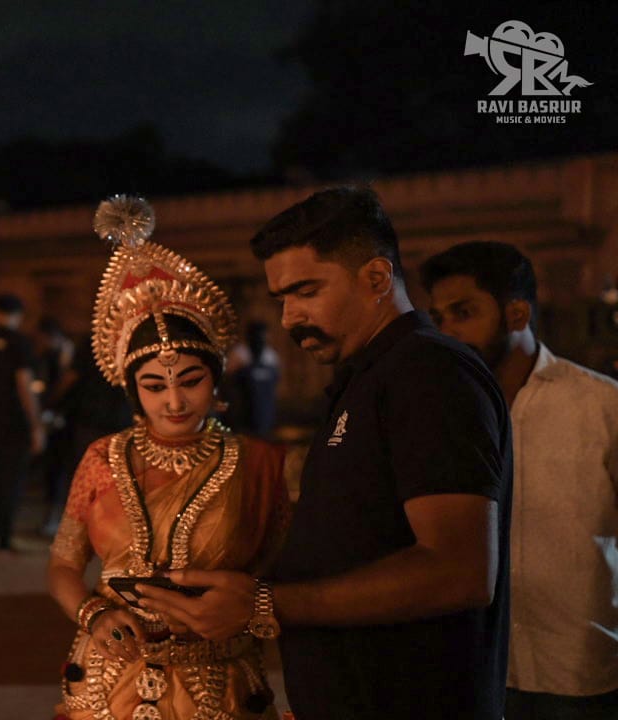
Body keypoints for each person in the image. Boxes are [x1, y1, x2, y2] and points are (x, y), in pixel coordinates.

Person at [136, 187, 513, 719]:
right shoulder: (367, 377)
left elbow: (458, 570)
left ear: (376, 278)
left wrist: (264, 605)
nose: (290, 318)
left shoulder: (429, 373)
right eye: (281, 300)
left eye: (306, 291)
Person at [48, 196, 291, 719]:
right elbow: (64, 565)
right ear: (133, 391)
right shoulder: (102, 456)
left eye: (191, 381)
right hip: (106, 680)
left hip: (220, 683)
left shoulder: (263, 465)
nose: (175, 401)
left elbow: (287, 575)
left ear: (216, 379)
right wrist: (93, 614)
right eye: (155, 386)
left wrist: (249, 610)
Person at [422, 241, 618, 720]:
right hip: (475, 673)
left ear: (516, 314)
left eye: (464, 312)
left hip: (580, 675)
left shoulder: (602, 406)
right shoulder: (438, 414)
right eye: (439, 318)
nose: (447, 332)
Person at [0, 293, 45, 554]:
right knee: (10, 480)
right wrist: (35, 423)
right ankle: (3, 537)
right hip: (14, 421)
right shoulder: (19, 342)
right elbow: (24, 383)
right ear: (18, 316)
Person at [34, 316, 75, 536]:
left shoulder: (71, 355)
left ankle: (63, 519)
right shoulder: (48, 356)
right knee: (53, 470)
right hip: (54, 419)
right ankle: (52, 517)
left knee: (66, 470)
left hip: (71, 420)